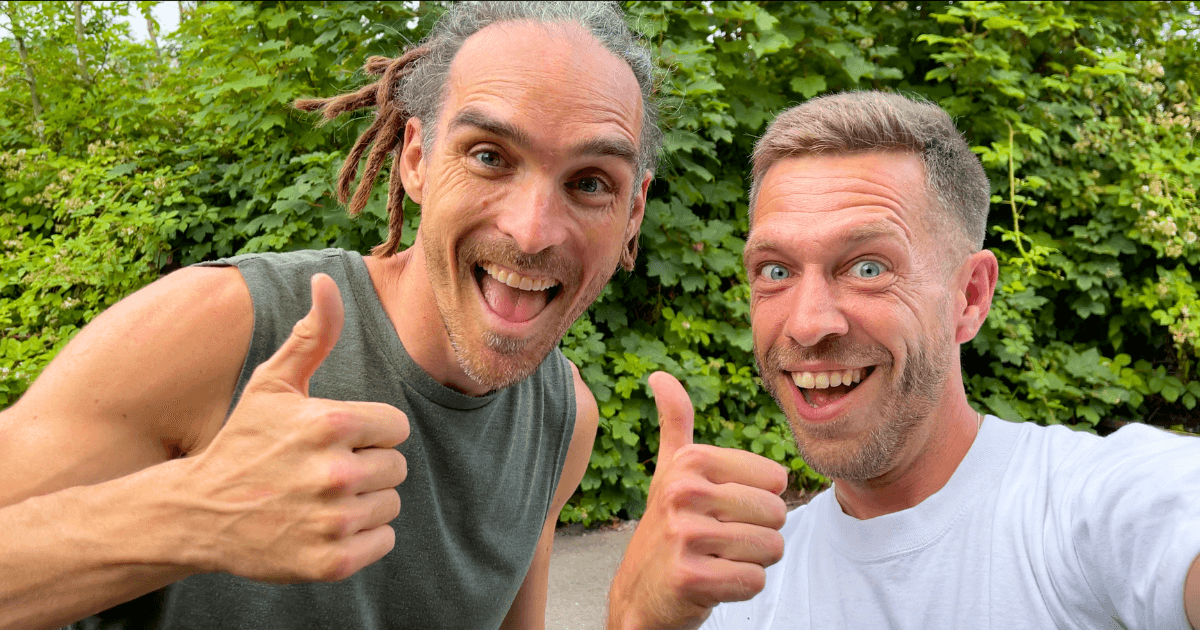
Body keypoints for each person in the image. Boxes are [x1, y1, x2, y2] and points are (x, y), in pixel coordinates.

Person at [0, 3, 661, 629]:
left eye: (590, 182)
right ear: (417, 160)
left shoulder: (564, 417)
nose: (531, 231)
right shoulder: (221, 327)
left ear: (632, 212)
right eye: (489, 156)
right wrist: (195, 513)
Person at [607, 91, 1200, 629]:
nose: (807, 323)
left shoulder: (1086, 508)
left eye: (869, 268)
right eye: (776, 271)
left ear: (970, 297)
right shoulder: (734, 592)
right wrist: (637, 619)